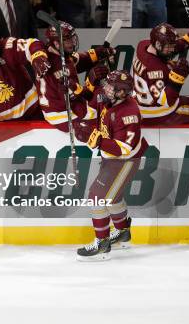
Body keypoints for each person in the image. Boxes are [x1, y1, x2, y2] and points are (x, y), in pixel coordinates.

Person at [73, 70, 149, 261]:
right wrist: (74, 95)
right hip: (112, 159)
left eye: (110, 87)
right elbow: (90, 110)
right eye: (106, 84)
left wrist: (94, 139)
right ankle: (123, 232)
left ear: (122, 93)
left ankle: (102, 243)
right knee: (113, 198)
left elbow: (124, 148)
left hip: (125, 161)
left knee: (97, 197)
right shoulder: (106, 95)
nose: (104, 88)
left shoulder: (129, 113)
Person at [37, 21, 114, 131]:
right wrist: (90, 82)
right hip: (63, 115)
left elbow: (79, 59)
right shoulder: (57, 67)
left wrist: (99, 53)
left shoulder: (57, 54)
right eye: (68, 40)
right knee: (103, 95)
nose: (72, 43)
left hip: (61, 105)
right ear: (56, 43)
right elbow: (79, 98)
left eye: (72, 39)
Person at [132, 23, 189, 125]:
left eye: (172, 45)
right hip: (156, 113)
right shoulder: (156, 70)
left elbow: (166, 50)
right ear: (157, 44)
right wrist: (177, 79)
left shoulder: (142, 45)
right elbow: (167, 101)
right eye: (168, 46)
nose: (172, 49)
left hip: (140, 102)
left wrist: (186, 40)